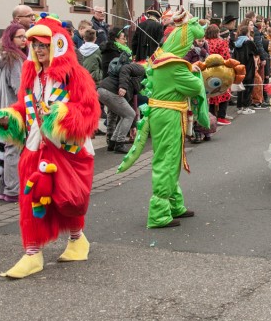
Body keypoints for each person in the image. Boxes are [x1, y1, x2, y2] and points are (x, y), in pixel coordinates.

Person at [0, 13, 100, 279]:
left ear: (57, 45)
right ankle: (32, 253)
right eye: (34, 45)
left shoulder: (76, 76)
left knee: (67, 200)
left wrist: (62, 114)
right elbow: (24, 108)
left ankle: (77, 239)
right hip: (36, 148)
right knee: (30, 199)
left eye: (43, 45)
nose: (38, 50)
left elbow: (89, 110)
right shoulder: (31, 77)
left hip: (67, 150)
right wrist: (10, 117)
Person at [117, 17, 210, 228]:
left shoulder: (162, 59)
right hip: (168, 114)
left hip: (164, 113)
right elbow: (194, 88)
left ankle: (174, 204)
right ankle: (158, 213)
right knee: (167, 160)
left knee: (172, 158)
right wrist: (195, 74)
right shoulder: (173, 65)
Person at [0, 22, 28, 202]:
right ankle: (12, 190)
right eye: (20, 37)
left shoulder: (4, 57)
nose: (24, 40)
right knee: (13, 149)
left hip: (4, 109)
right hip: (14, 110)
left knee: (7, 148)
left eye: (25, 36)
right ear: (11, 38)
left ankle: (6, 188)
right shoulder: (14, 59)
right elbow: (19, 88)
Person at [98, 44, 144, 154]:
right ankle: (119, 143)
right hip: (109, 90)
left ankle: (113, 142)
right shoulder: (141, 69)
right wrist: (122, 87)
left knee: (126, 114)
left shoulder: (142, 80)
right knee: (129, 114)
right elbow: (125, 68)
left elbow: (131, 101)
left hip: (103, 90)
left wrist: (133, 126)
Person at [205, 24, 233, 126]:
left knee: (211, 93)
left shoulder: (205, 42)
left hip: (207, 71)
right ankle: (221, 116)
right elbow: (226, 57)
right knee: (224, 92)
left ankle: (212, 116)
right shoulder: (221, 42)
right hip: (220, 71)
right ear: (217, 33)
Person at [232, 25, 258, 115]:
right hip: (248, 67)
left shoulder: (236, 42)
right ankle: (246, 107)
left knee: (240, 86)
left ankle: (240, 107)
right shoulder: (248, 42)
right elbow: (256, 51)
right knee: (248, 87)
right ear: (247, 32)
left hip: (239, 67)